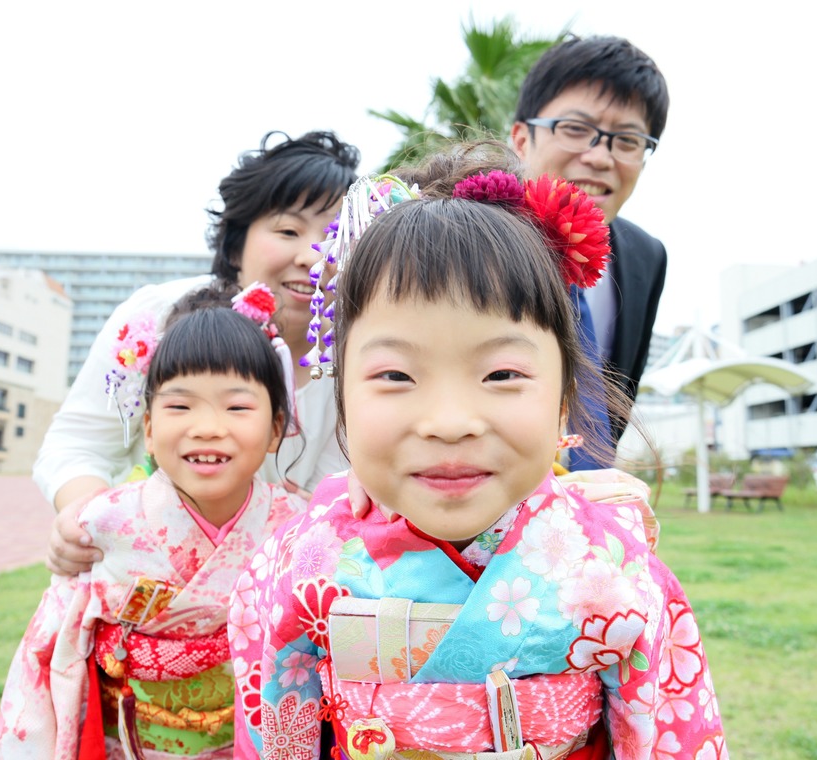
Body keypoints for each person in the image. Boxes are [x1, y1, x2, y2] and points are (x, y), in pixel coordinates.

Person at [229, 169, 724, 758]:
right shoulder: (305, 556)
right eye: (395, 376)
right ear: (344, 399)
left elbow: (667, 740)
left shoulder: (617, 567)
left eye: (501, 375)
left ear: (564, 399)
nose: (449, 421)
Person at [0, 285, 309, 759]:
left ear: (276, 429)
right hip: (133, 738)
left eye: (237, 406)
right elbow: (50, 647)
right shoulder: (105, 522)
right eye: (179, 406)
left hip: (254, 736)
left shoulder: (298, 527)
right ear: (148, 428)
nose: (207, 426)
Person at [38, 130, 360, 575]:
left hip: (288, 590)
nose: (312, 256)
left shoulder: (363, 350)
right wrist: (86, 520)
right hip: (157, 574)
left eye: (335, 235)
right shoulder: (159, 316)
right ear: (235, 244)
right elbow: (78, 444)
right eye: (288, 230)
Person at [510, 35, 670, 452]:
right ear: (522, 139)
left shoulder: (646, 256)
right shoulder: (462, 231)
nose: (601, 157)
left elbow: (618, 388)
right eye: (576, 129)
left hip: (590, 499)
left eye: (629, 140)